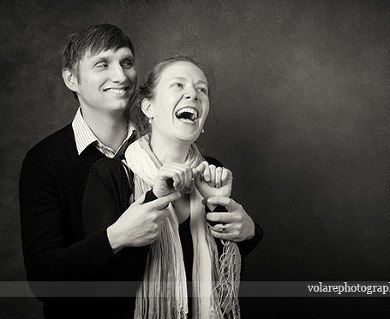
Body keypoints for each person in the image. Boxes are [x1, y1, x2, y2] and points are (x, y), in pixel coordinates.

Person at [19, 24, 181, 319]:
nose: (121, 76)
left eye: (127, 62)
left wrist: (247, 233)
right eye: (102, 64)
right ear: (71, 79)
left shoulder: (165, 146)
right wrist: (116, 237)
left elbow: (194, 252)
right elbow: (44, 278)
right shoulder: (44, 161)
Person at [81, 56, 263, 319]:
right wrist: (156, 197)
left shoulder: (211, 171)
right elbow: (108, 289)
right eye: (178, 85)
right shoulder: (110, 174)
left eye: (202, 90)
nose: (193, 93)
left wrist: (246, 231)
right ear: (148, 107)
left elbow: (226, 281)